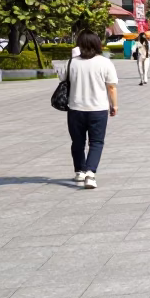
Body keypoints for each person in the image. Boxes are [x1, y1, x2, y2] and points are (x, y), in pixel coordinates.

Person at [60, 31, 118, 189]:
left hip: (75, 108)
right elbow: (111, 87)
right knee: (96, 142)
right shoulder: (105, 63)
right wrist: (114, 105)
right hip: (98, 109)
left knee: (77, 142)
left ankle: (79, 171)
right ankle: (90, 174)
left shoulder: (71, 63)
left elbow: (62, 78)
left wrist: (73, 56)